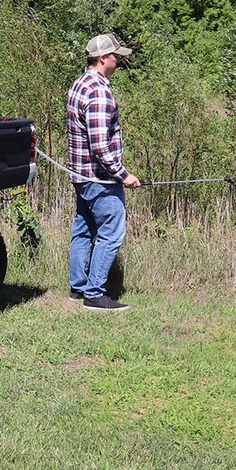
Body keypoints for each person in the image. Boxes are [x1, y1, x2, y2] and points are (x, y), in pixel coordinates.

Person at [67, 33, 141, 312]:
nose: (119, 59)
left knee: (84, 229)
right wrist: (124, 175)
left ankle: (78, 286)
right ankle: (95, 294)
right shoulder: (98, 91)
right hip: (99, 179)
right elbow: (101, 145)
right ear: (102, 58)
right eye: (115, 56)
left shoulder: (79, 84)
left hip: (81, 175)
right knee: (112, 232)